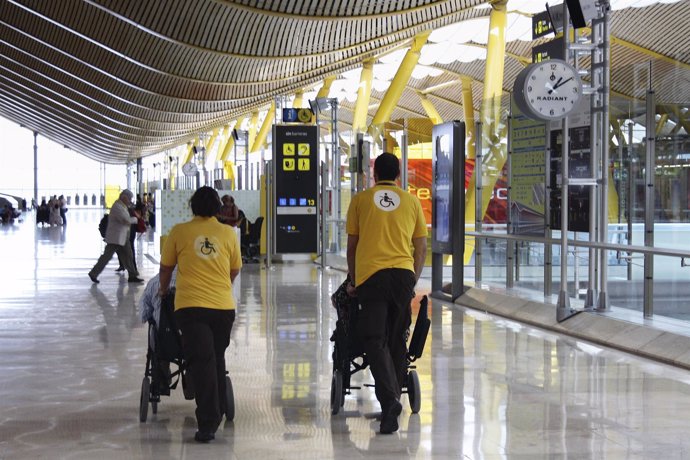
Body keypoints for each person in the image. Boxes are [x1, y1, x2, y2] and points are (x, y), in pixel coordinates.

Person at [345, 152, 427, 434]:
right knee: (396, 338)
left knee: (374, 338)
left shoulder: (361, 200)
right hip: (403, 277)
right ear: (398, 174)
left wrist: (353, 281)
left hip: (372, 277)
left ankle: (391, 400)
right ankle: (390, 409)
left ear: (374, 172)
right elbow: (421, 247)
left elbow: (353, 247)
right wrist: (412, 280)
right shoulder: (412, 201)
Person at [158, 186, 242, 443]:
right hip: (223, 307)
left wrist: (163, 291)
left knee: (203, 361)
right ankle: (215, 410)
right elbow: (235, 269)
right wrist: (220, 286)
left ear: (192, 206)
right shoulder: (228, 233)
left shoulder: (180, 231)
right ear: (218, 208)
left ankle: (208, 422)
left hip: (191, 307)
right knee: (215, 358)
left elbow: (166, 268)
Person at [88, 189, 143, 284]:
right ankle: (93, 273)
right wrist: (136, 219)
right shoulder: (117, 207)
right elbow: (125, 220)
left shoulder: (122, 206)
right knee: (106, 256)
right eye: (129, 199)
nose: (130, 201)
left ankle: (132, 275)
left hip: (122, 237)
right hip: (116, 238)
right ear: (124, 197)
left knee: (128, 255)